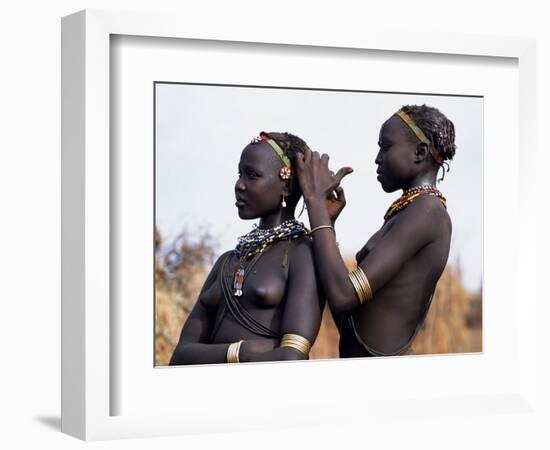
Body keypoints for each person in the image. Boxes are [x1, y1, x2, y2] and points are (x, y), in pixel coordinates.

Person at [295, 104, 456, 357]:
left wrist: (314, 203)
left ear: (420, 151)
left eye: (386, 146)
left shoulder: (428, 213)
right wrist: (328, 223)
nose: (377, 158)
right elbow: (349, 317)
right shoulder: (410, 212)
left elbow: (342, 296)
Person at [169, 132, 324, 365]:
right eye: (240, 174)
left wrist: (213, 354)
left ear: (287, 186)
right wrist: (243, 351)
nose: (239, 185)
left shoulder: (302, 254)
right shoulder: (226, 262)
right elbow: (180, 356)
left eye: (252, 175)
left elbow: (292, 355)